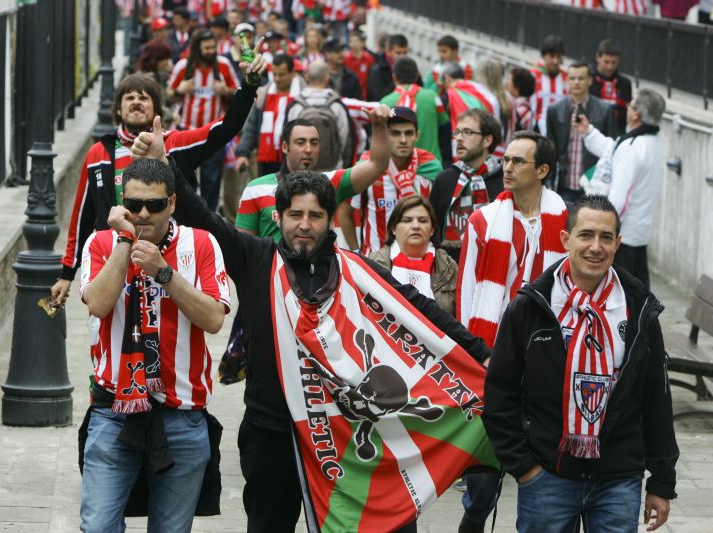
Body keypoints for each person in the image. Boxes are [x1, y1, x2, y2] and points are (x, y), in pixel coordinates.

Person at [130, 124, 493, 532]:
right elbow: (203, 217)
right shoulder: (255, 259)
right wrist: (165, 162)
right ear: (278, 217)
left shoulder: (359, 271)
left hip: (347, 433)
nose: (305, 225)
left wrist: (482, 353)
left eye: (315, 215)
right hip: (271, 435)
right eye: (296, 215)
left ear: (330, 218)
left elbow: (421, 311)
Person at [483, 194, 678, 533]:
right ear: (565, 239)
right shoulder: (530, 307)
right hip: (547, 477)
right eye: (585, 235)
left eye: (606, 237)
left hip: (618, 479)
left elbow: (656, 398)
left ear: (618, 243)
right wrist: (524, 467)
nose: (595, 247)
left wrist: (661, 482)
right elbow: (499, 394)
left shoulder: (639, 310)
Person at [78, 158, 230, 532]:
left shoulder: (202, 243)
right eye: (133, 205)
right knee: (97, 526)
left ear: (173, 203)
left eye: (155, 205)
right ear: (120, 204)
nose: (143, 214)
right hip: (113, 410)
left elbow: (213, 319)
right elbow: (97, 303)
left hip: (183, 413)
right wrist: (125, 243)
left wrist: (163, 272)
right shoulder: (101, 242)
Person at [50, 57, 265, 308]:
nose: (137, 103)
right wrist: (67, 273)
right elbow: (81, 217)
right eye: (129, 98)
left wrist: (248, 87)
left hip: (172, 262)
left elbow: (226, 127)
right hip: (115, 259)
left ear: (156, 109)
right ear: (118, 109)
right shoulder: (99, 153)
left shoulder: (177, 143)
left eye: (144, 98)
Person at [455, 130, 567, 531]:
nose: (508, 167)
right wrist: (469, 351)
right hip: (491, 350)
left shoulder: (565, 220)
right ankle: (474, 514)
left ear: (542, 170)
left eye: (519, 161)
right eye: (506, 160)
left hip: (545, 353)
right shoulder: (483, 220)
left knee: (542, 453)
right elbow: (467, 291)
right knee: (486, 454)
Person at [236, 106, 391, 240]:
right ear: (285, 147)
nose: (308, 149)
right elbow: (243, 248)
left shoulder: (330, 184)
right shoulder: (255, 189)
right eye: (300, 142)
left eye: (314, 143)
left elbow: (377, 164)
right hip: (271, 273)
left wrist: (379, 126)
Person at [575, 88, 666, 290]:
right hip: (638, 234)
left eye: (631, 106)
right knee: (639, 294)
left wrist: (604, 232)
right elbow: (613, 150)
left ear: (636, 114)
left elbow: (619, 199)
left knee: (620, 295)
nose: (627, 109)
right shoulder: (652, 142)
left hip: (622, 238)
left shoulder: (633, 147)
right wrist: (589, 131)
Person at [339, 106, 443, 254]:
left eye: (408, 133)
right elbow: (344, 213)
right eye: (395, 133)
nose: (402, 140)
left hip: (420, 261)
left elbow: (439, 216)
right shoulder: (366, 169)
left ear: (417, 135)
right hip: (376, 263)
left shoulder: (430, 167)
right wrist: (356, 252)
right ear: (385, 135)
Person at [167, 30, 241, 211]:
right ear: (196, 49)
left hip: (213, 133)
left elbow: (238, 91)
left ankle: (209, 218)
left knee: (212, 180)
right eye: (206, 48)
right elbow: (169, 94)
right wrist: (180, 90)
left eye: (213, 47)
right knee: (182, 178)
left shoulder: (223, 65)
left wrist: (225, 90)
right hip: (186, 131)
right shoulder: (183, 67)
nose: (210, 51)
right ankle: (183, 214)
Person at [430, 109, 505, 263]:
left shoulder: (505, 180)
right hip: (449, 270)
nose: (459, 138)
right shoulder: (444, 180)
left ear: (487, 140)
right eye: (457, 132)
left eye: (467, 132)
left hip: (494, 265)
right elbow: (432, 230)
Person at [369, 195, 457, 314]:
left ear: (432, 230)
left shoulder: (449, 268)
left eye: (422, 220)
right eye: (407, 220)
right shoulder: (372, 265)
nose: (416, 226)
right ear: (393, 228)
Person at [546, 61, 617, 203]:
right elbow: (550, 149)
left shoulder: (605, 110)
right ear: (567, 81)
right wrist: (548, 183)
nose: (576, 82)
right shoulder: (555, 110)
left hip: (593, 186)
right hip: (563, 185)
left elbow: (611, 150)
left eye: (581, 78)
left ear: (590, 80)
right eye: (572, 78)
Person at [235, 53, 304, 177]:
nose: (277, 78)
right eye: (274, 74)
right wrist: (243, 154)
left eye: (281, 75)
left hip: (294, 160)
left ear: (292, 72)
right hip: (266, 161)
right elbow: (251, 126)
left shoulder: (304, 96)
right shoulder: (263, 94)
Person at [286, 60, 354, 171]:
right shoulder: (336, 105)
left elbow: (288, 136)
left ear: (307, 77)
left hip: (301, 170)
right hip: (332, 169)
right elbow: (344, 138)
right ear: (327, 78)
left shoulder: (296, 105)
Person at [380, 57, 451, 162]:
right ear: (417, 76)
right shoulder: (433, 97)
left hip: (398, 166)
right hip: (430, 164)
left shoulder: (385, 102)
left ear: (394, 77)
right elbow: (445, 127)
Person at [590, 39, 633, 135]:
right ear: (598, 57)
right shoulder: (588, 80)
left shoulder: (625, 84)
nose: (610, 67)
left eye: (614, 63)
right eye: (606, 62)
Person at [529, 34, 567, 134]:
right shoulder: (532, 75)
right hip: (535, 131)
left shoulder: (566, 78)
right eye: (551, 56)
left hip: (560, 132)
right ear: (543, 56)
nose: (555, 61)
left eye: (558, 57)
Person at [134, 38, 175, 129]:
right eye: (165, 58)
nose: (167, 62)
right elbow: (156, 106)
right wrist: (172, 116)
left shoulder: (156, 75)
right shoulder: (146, 80)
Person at [367, 33, 408, 102]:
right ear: (388, 51)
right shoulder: (377, 70)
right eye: (398, 53)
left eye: (405, 53)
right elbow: (378, 97)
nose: (402, 57)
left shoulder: (410, 67)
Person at [505, 66, 537, 142]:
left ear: (517, 86)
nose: (507, 82)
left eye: (510, 79)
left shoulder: (523, 110)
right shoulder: (519, 106)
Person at [343, 31, 375, 99]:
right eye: (351, 41)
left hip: (365, 94)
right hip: (350, 94)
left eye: (356, 41)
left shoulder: (369, 58)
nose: (354, 44)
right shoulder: (345, 59)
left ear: (362, 43)